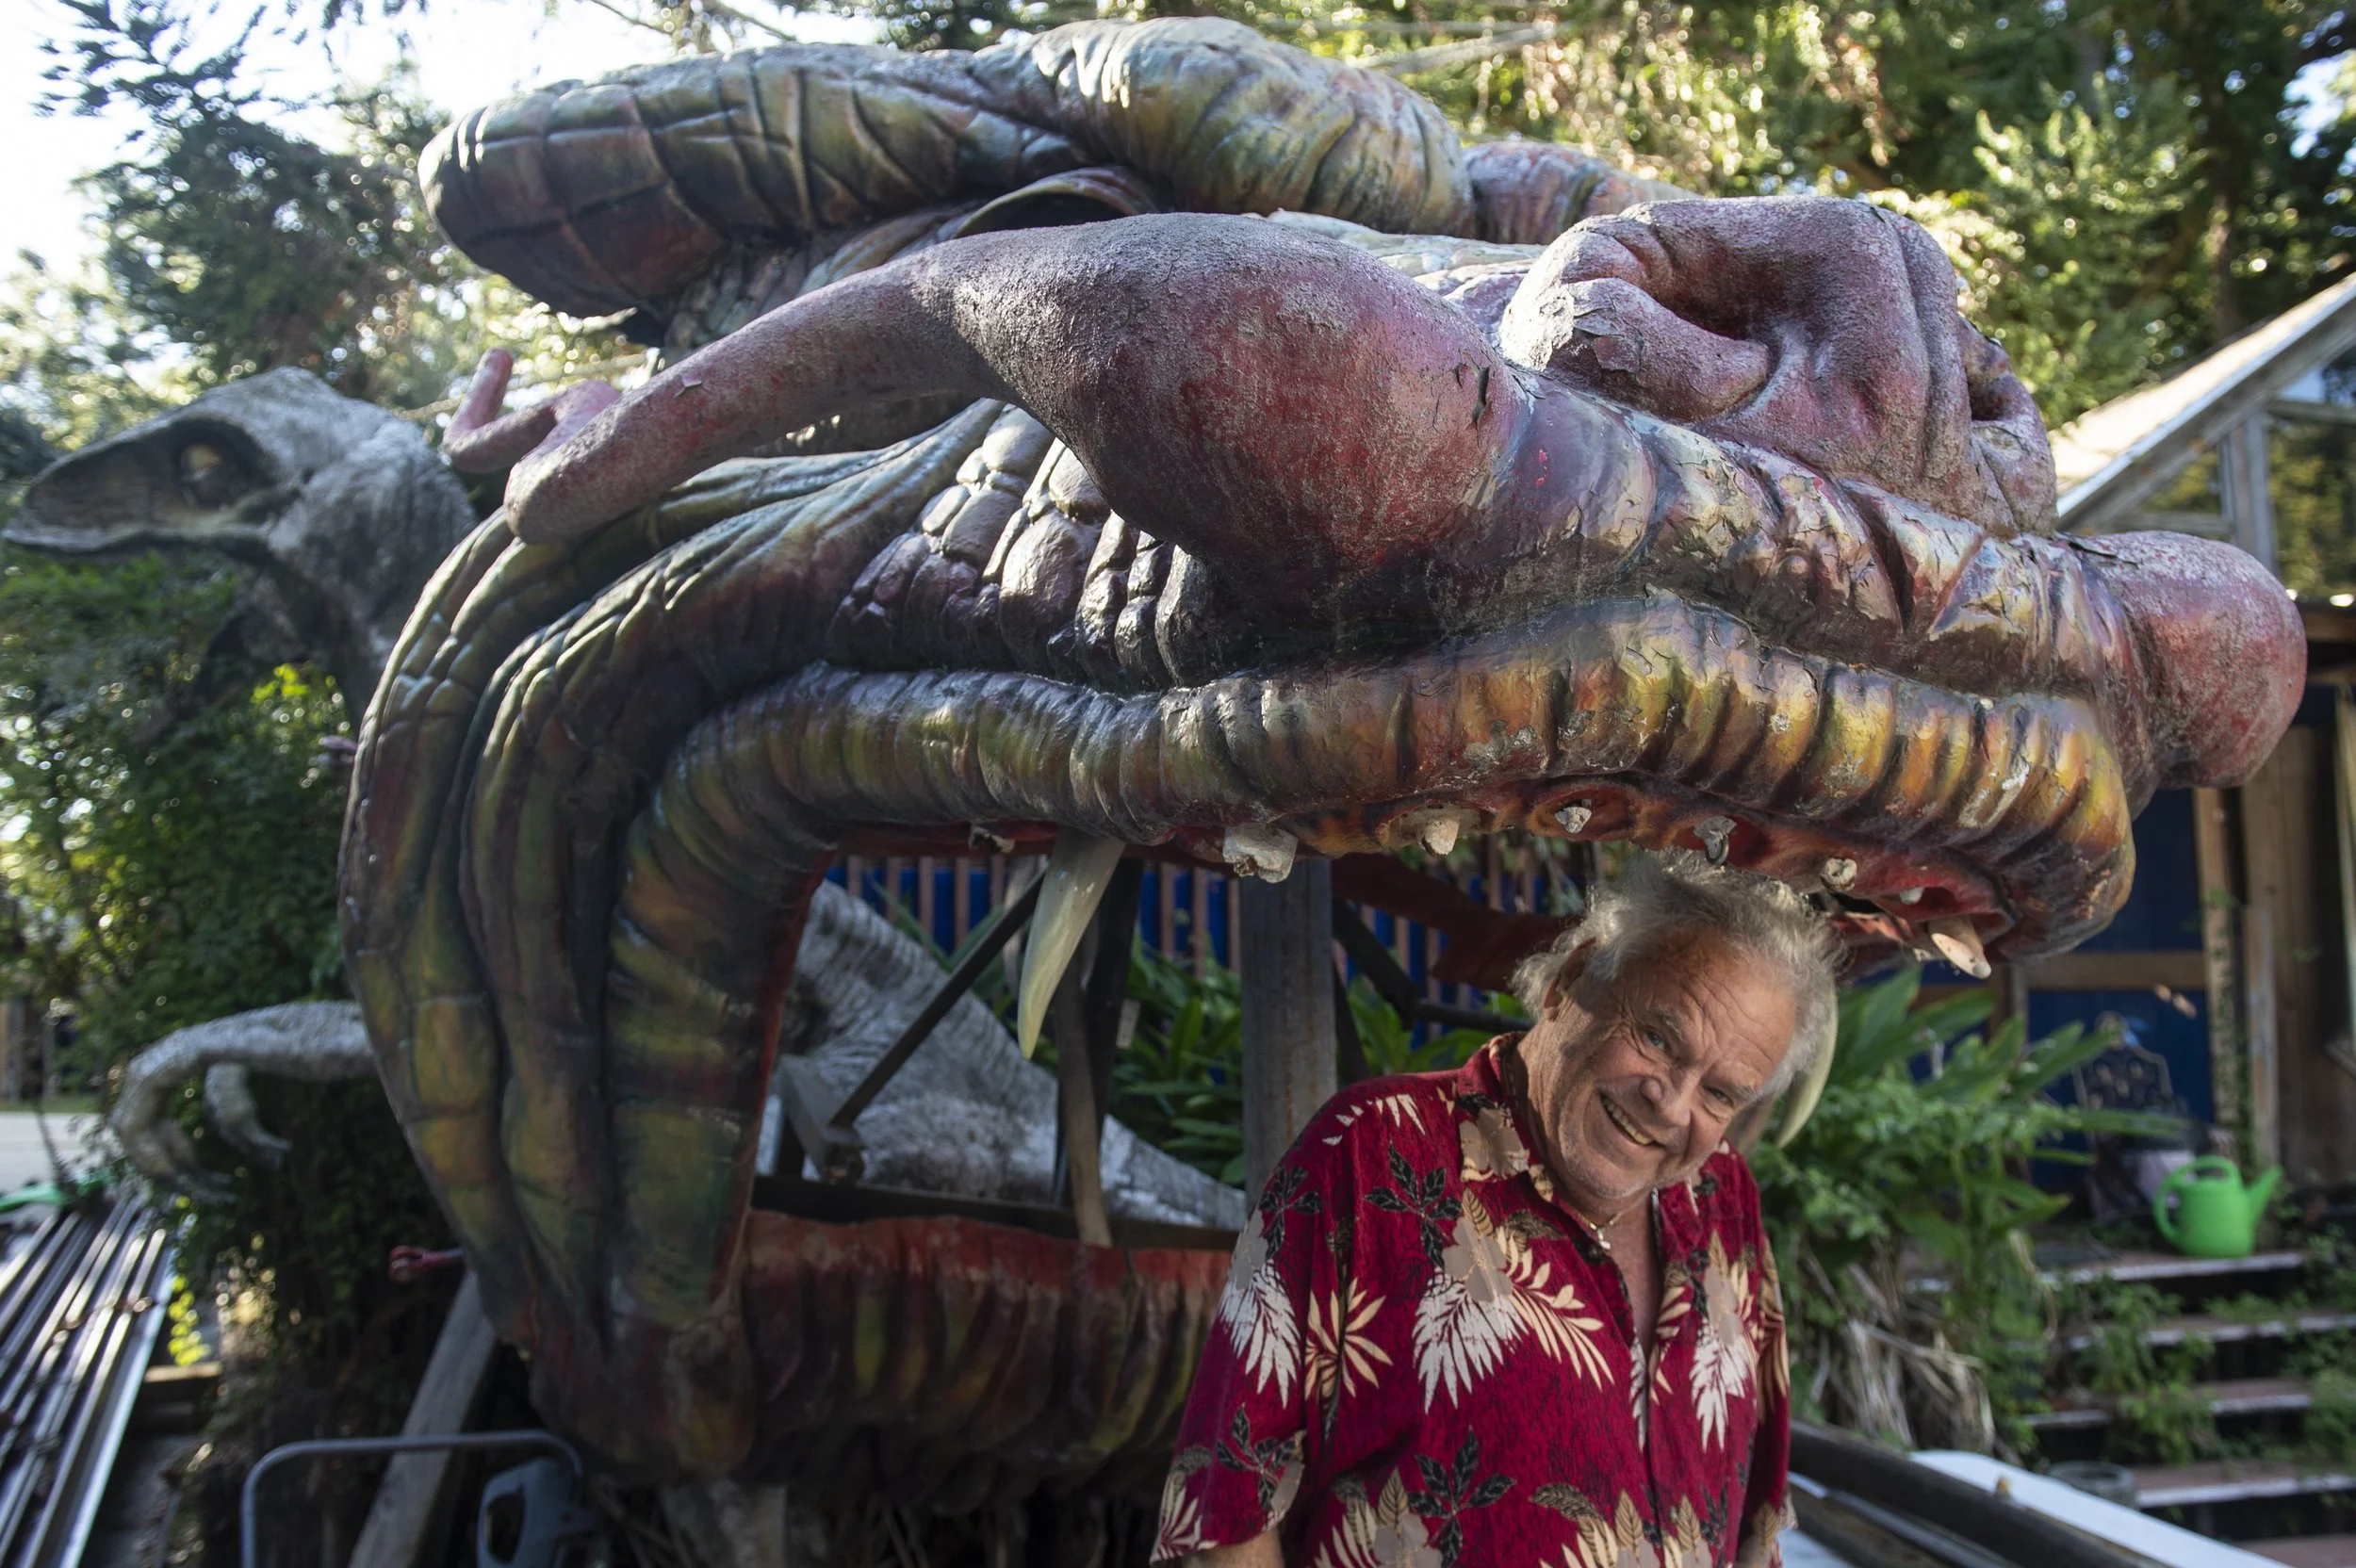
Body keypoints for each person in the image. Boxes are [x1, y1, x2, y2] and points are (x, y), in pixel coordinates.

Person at [1153, 851, 1838, 1568]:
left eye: (1721, 1093)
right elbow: (1228, 1506)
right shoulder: (1375, 1151)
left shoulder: (1722, 1195)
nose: (1671, 1103)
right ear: (1574, 978)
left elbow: (1755, 1517)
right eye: (1659, 1038)